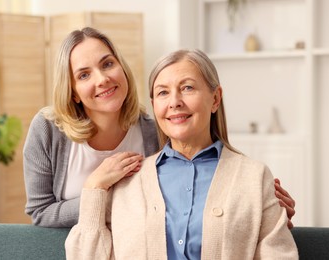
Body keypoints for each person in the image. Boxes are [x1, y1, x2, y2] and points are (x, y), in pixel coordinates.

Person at [23, 27, 295, 228]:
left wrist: (261, 208)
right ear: (73, 92)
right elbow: (41, 213)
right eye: (84, 74)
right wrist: (97, 188)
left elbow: (189, 192)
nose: (103, 78)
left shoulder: (156, 132)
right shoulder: (48, 130)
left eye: (108, 64)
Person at [65, 49, 298, 259]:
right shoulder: (127, 182)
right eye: (163, 93)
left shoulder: (254, 177)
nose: (174, 102)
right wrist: (93, 190)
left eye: (187, 88)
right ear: (154, 105)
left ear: (215, 99)